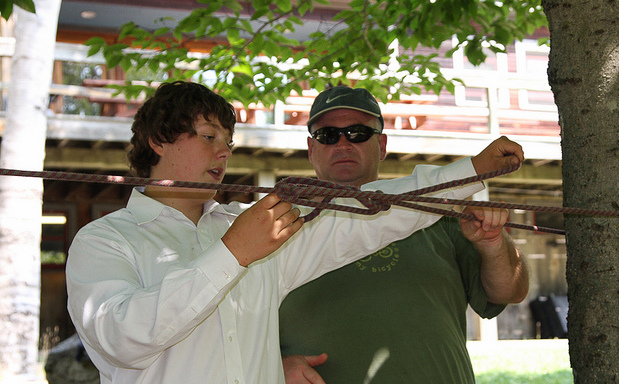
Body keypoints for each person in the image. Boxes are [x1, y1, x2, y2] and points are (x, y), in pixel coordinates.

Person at [65, 81, 514, 384]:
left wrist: (471, 171)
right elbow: (121, 339)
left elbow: (359, 218)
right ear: (158, 141)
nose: (223, 152)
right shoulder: (105, 240)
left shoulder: (251, 227)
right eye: (208, 137)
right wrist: (232, 254)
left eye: (228, 141)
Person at [279, 86, 529, 383]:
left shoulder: (440, 212)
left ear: (382, 145)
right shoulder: (280, 225)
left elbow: (511, 291)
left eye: (358, 133)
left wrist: (492, 243)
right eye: (328, 135)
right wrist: (272, 366)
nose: (342, 144)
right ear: (311, 149)